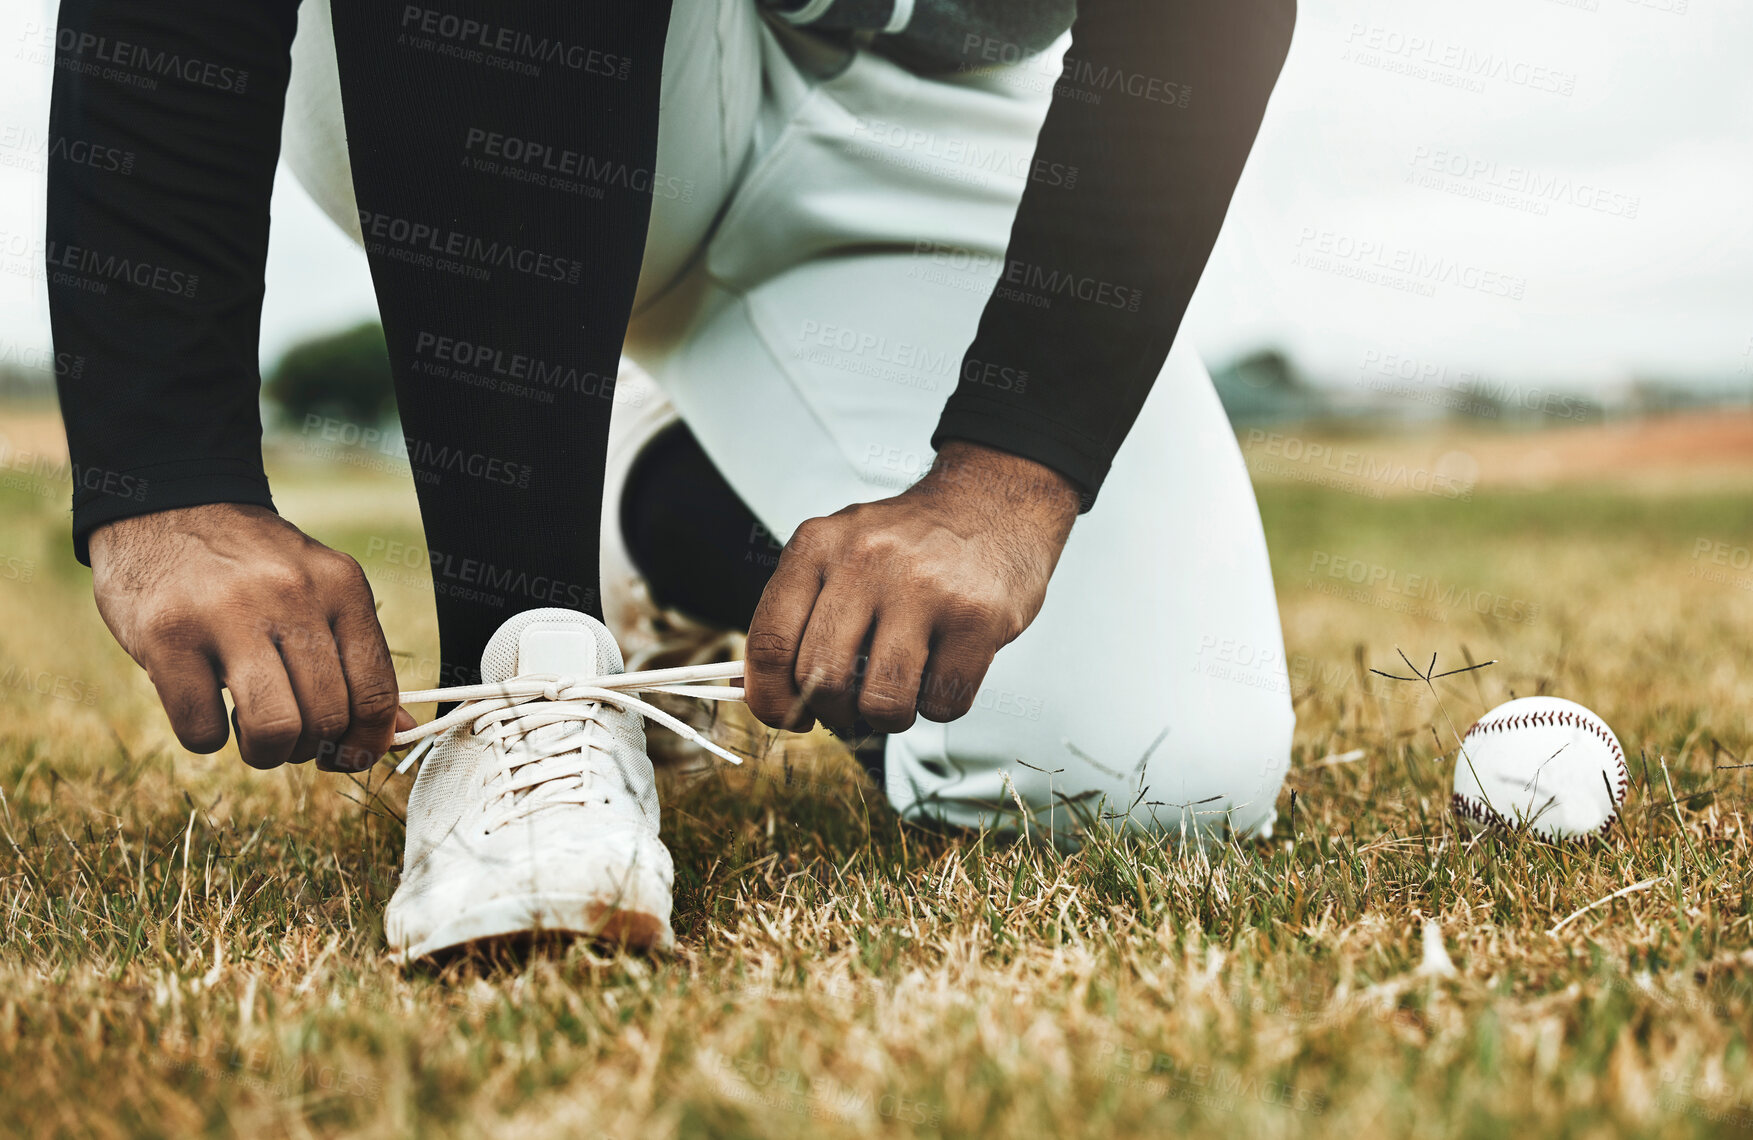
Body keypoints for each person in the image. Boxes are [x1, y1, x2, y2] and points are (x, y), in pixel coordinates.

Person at [47, 0, 1297, 957]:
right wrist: (166, 467)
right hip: (451, 61)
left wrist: (1004, 482)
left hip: (917, 86)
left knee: (1147, 771)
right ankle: (523, 674)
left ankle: (659, 501)